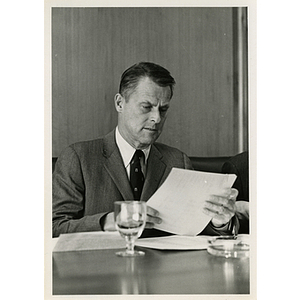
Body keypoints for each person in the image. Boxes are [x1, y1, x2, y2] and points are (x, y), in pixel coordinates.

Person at [52, 62, 239, 238]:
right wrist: (107, 221)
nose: (157, 118)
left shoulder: (177, 160)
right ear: (119, 103)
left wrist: (218, 222)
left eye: (163, 110)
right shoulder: (78, 158)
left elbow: (194, 229)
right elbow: (55, 227)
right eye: (146, 107)